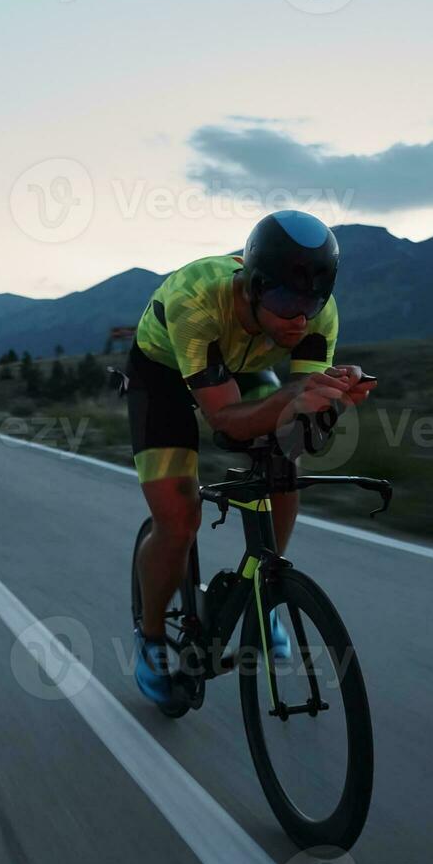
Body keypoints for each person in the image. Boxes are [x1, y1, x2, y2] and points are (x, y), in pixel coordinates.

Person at [125, 210, 376, 705]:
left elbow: (302, 428)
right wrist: (298, 398)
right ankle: (150, 640)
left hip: (239, 367)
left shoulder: (315, 316)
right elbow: (228, 421)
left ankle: (265, 599)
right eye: (285, 300)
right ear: (252, 286)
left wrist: (327, 407)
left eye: (312, 301)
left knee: (285, 465)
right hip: (162, 376)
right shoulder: (196, 299)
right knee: (178, 519)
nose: (299, 319)